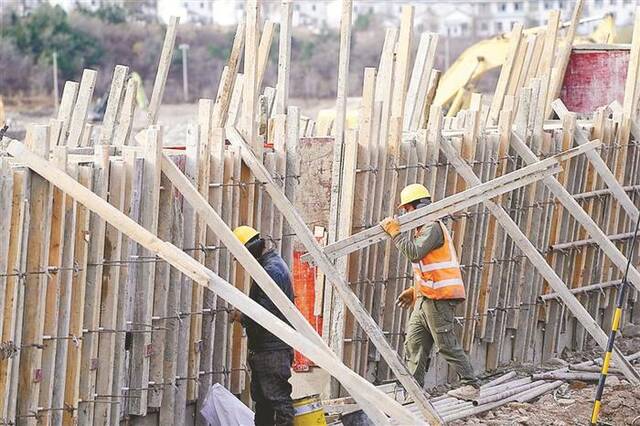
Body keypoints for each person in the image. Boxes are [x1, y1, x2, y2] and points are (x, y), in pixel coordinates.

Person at [379, 183, 480, 400]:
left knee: (445, 344)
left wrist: (395, 233)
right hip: (425, 297)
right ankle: (413, 392)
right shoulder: (422, 229)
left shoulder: (432, 227)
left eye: (407, 209)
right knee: (414, 343)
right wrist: (414, 290)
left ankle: (471, 384)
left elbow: (414, 253)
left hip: (440, 298)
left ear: (416, 207)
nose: (405, 214)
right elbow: (426, 267)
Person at [230, 225, 295, 425]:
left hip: (271, 351)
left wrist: (240, 317)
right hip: (268, 349)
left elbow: (264, 315)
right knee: (264, 403)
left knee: (278, 402)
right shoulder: (271, 265)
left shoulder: (271, 271)